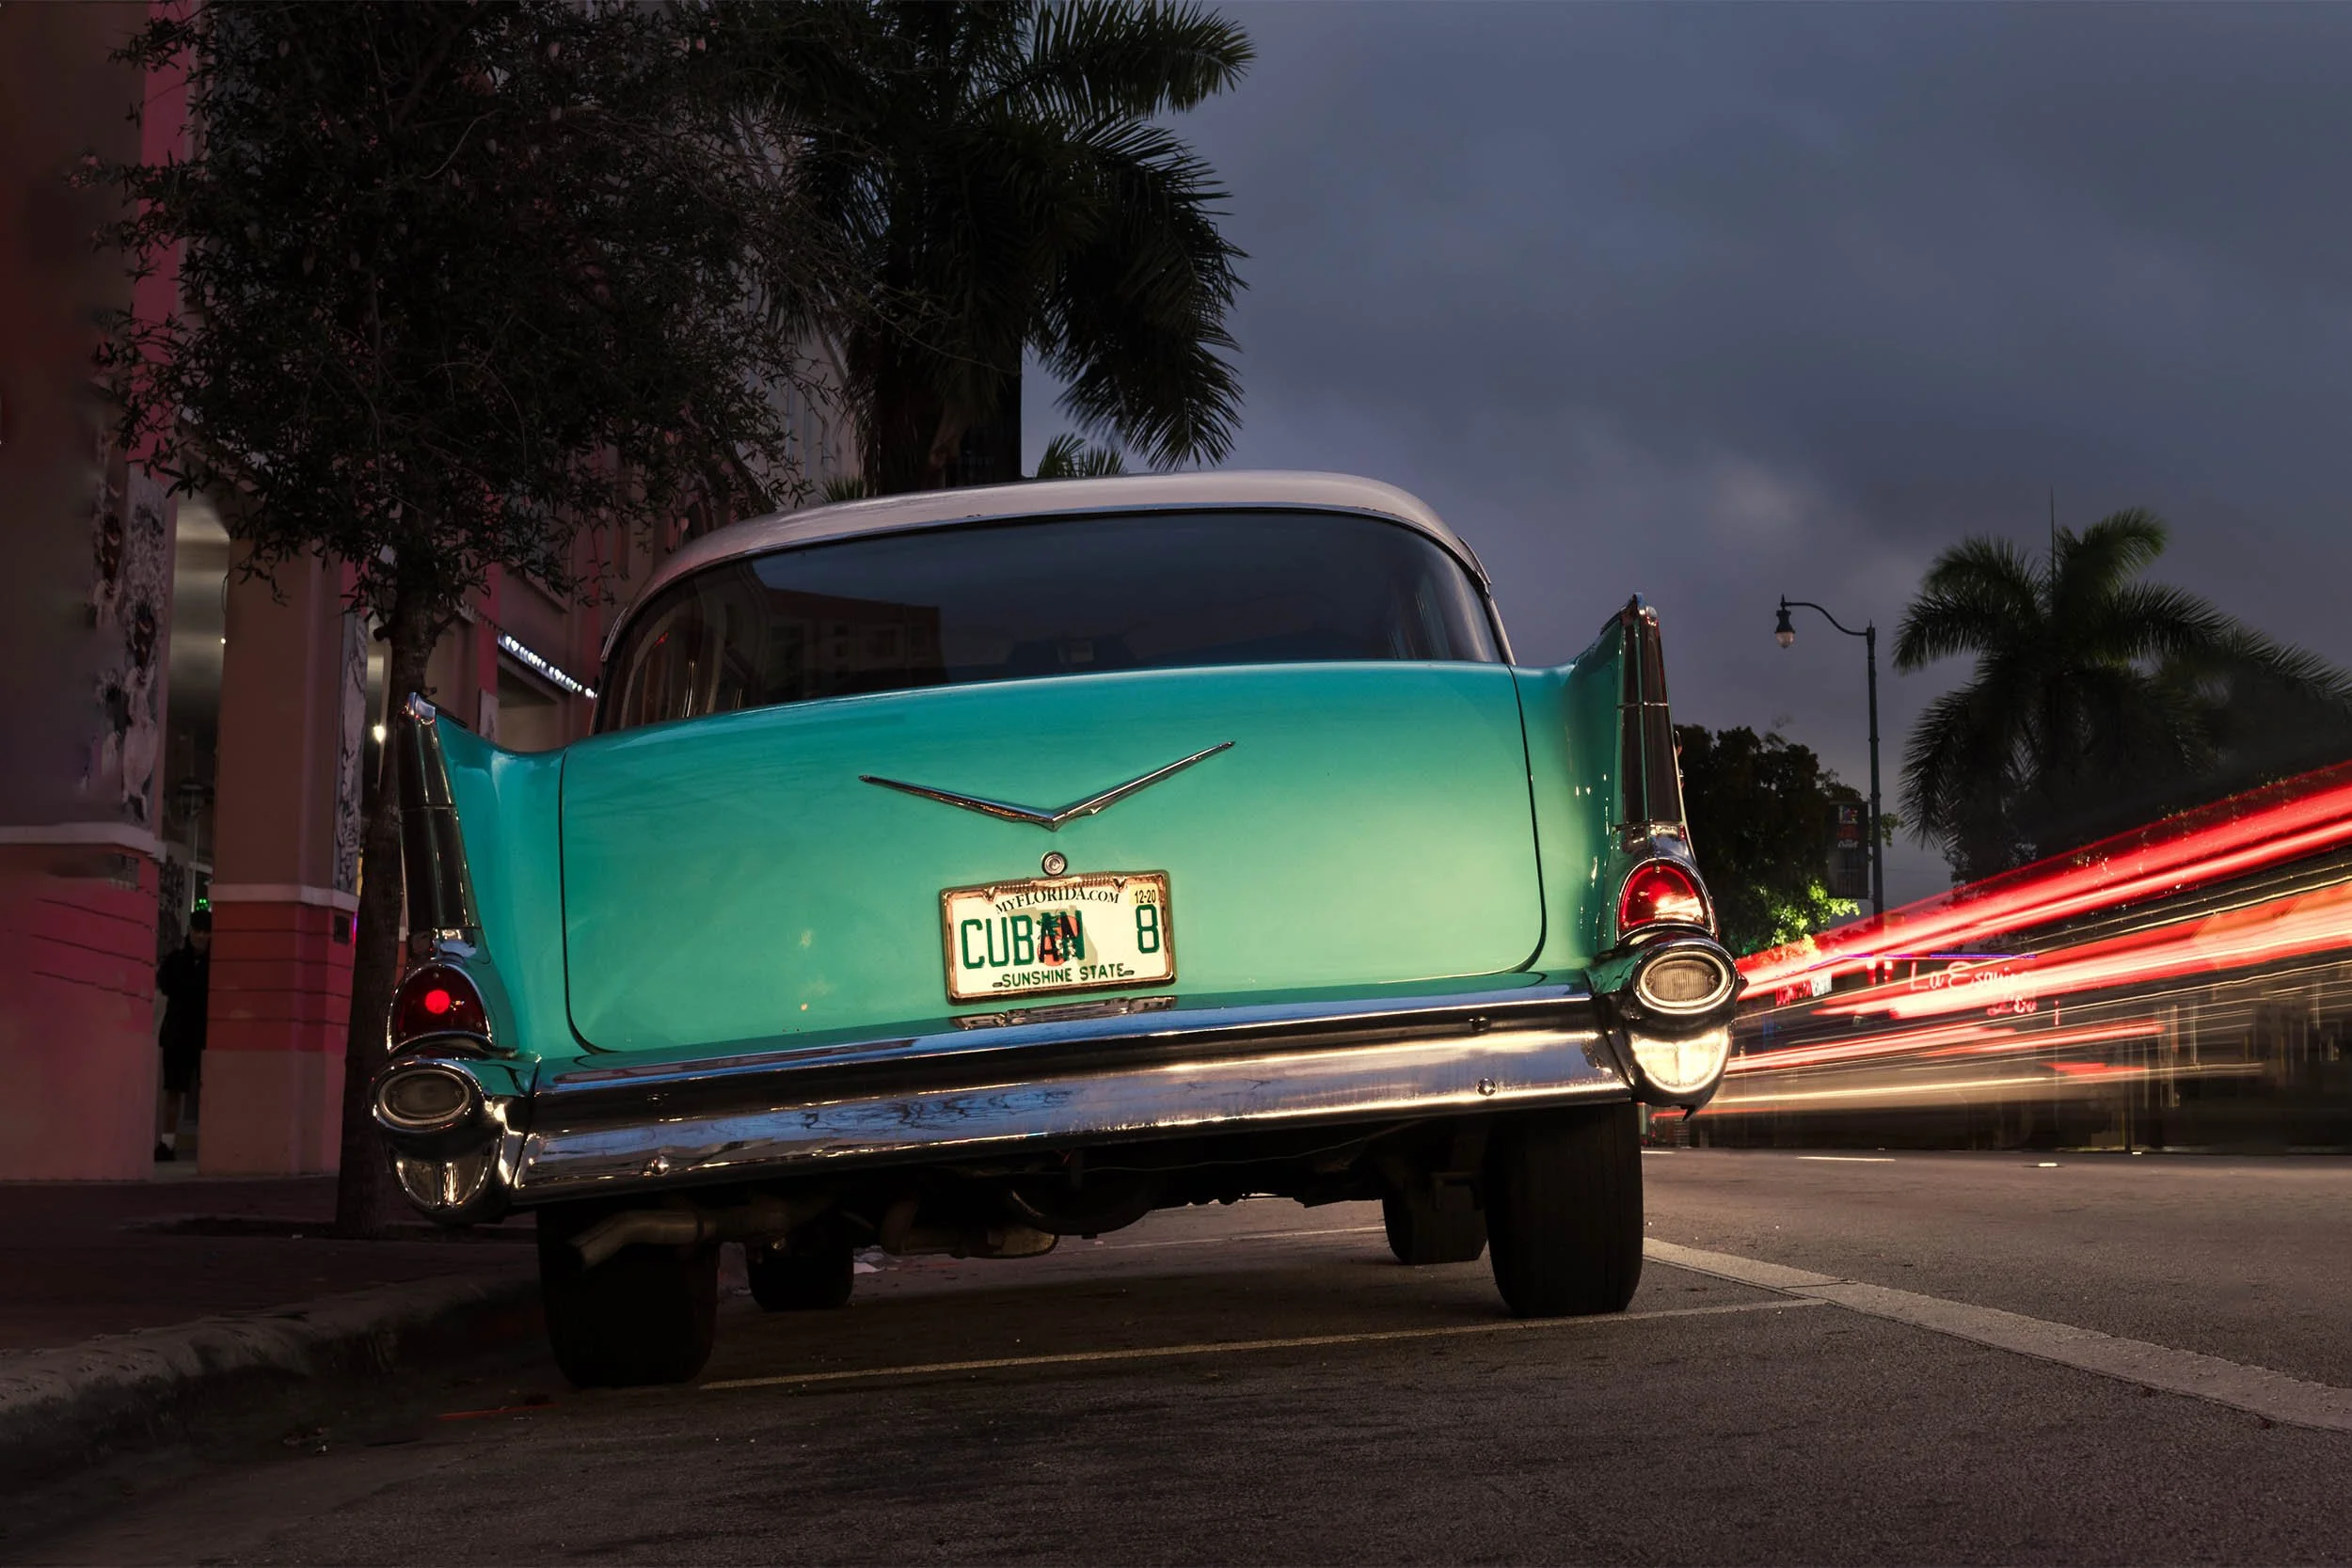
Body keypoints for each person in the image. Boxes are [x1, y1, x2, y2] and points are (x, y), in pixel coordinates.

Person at [155, 909, 211, 1162]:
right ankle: (167, 1143)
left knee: (207, 1090)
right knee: (174, 1090)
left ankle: (208, 1143)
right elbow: (164, 984)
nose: (201, 936)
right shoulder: (177, 960)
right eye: (197, 931)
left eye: (205, 932)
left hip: (203, 1036)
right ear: (190, 932)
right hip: (178, 1033)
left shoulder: (215, 964)